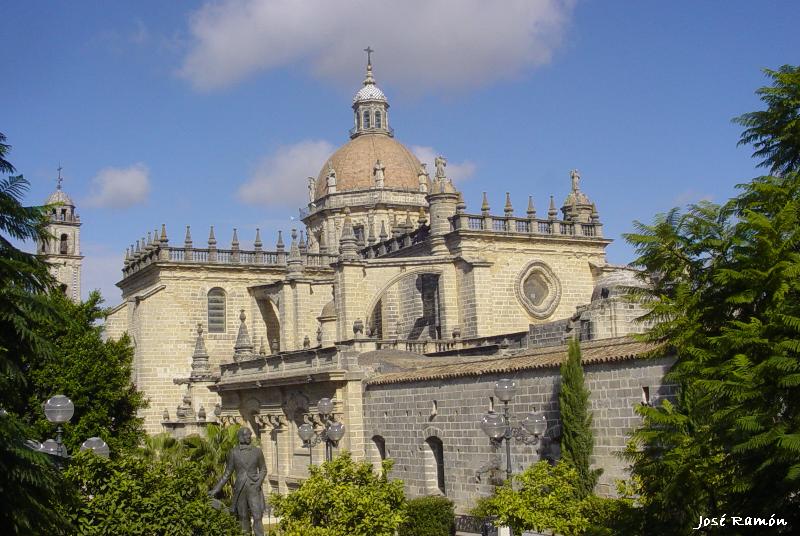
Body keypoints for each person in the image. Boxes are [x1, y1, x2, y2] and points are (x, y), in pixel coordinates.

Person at [209, 428, 267, 536]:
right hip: (240, 489)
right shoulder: (233, 452)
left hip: (254, 487)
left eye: (249, 434)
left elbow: (263, 469)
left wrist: (259, 482)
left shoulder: (257, 451)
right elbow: (227, 474)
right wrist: (215, 490)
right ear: (240, 436)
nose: (249, 437)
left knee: (257, 516)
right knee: (243, 517)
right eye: (246, 435)